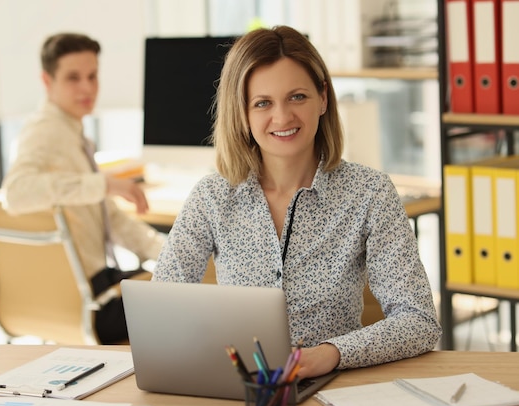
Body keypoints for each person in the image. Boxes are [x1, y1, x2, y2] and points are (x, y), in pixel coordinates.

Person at [152, 26, 442, 377]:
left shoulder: (370, 193)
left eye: (297, 97)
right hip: (243, 391)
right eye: (263, 103)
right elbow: (160, 311)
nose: (282, 117)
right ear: (241, 113)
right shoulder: (212, 197)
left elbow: (419, 320)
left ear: (323, 98)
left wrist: (331, 353)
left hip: (335, 389)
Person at [1, 32, 164, 344]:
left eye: (92, 76)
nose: (87, 88)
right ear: (47, 82)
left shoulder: (72, 134)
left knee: (180, 281)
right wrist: (103, 183)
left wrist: (168, 252)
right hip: (90, 304)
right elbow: (16, 191)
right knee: (189, 303)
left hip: (87, 292)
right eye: (73, 78)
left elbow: (110, 220)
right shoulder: (45, 132)